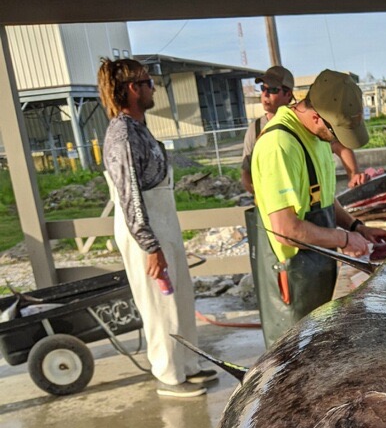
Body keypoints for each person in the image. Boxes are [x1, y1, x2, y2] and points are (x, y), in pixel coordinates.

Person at [97, 58, 217, 399]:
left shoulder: (139, 128)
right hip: (145, 228)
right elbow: (128, 193)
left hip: (163, 221)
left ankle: (188, 365)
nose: (154, 88)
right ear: (133, 88)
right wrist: (150, 246)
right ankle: (168, 375)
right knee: (159, 304)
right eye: (149, 82)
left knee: (180, 298)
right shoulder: (121, 133)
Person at [250, 69, 386, 347]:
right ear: (316, 116)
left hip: (319, 268)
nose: (337, 139)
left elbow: (323, 199)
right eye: (336, 131)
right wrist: (344, 239)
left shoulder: (315, 136)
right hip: (293, 279)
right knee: (294, 363)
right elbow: (286, 230)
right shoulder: (279, 145)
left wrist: (356, 227)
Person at [241, 65, 369, 194]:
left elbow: (340, 146)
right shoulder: (258, 130)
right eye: (263, 88)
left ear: (288, 93)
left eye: (273, 90)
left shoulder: (308, 126)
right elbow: (246, 172)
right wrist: (265, 197)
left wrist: (354, 174)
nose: (265, 94)